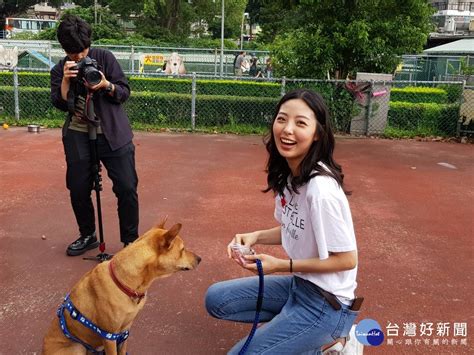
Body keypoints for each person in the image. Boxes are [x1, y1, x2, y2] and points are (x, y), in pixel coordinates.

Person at [205, 89, 360, 354]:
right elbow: (293, 227)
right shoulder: (290, 176)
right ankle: (296, 332)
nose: (287, 130)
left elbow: (347, 259)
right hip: (300, 286)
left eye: (300, 123)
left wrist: (280, 265)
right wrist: (254, 236)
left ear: (317, 133)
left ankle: (335, 339)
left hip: (328, 304)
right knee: (216, 299)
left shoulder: (321, 190)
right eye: (281, 119)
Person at [50, 15, 139, 256]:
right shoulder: (61, 68)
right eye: (71, 52)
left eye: (81, 51)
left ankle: (131, 242)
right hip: (78, 134)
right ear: (64, 48)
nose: (78, 57)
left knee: (127, 186)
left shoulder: (104, 58)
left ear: (88, 44)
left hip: (113, 133)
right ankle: (88, 234)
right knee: (78, 187)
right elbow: (58, 103)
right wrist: (66, 82)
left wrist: (105, 85)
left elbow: (123, 91)